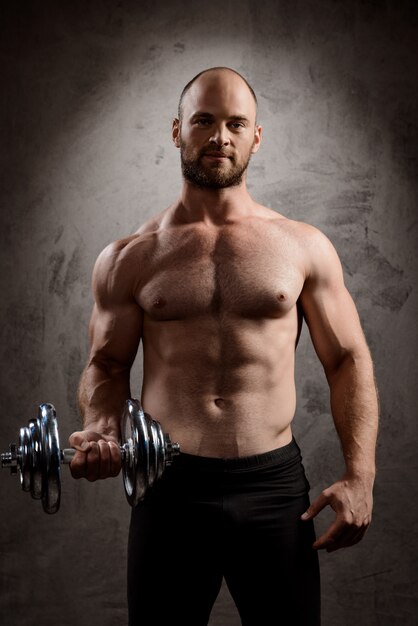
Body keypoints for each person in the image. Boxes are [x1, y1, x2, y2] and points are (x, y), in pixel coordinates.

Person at [69, 66, 379, 625]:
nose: (220, 137)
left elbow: (347, 360)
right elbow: (107, 363)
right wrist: (100, 427)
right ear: (176, 130)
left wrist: (361, 476)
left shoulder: (301, 246)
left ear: (256, 135)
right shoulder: (130, 256)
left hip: (275, 489)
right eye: (204, 121)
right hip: (168, 489)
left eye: (237, 123)